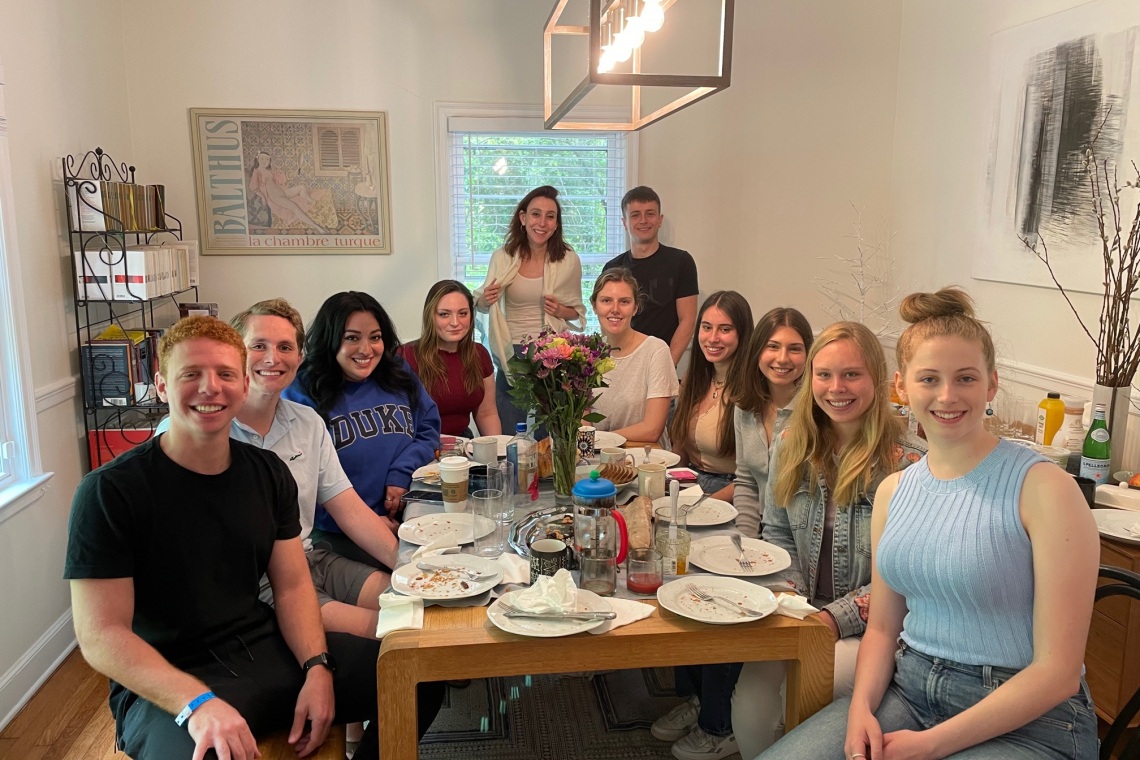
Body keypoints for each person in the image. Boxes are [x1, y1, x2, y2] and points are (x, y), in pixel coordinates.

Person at [758, 289, 1099, 760]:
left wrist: (931, 746)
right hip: (910, 692)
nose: (947, 396)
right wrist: (860, 708)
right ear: (900, 386)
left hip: (1028, 720)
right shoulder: (894, 492)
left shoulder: (1045, 489)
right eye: (929, 379)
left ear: (991, 384)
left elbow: (1059, 672)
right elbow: (881, 628)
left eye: (965, 378)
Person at [64, 316, 395, 760]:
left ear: (243, 384)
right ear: (161, 385)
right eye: (191, 374)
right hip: (164, 684)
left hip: (261, 648)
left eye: (224, 375)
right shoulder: (109, 492)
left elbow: (294, 586)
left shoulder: (268, 474)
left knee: (411, 672)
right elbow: (101, 634)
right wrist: (197, 703)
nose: (210, 388)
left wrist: (317, 667)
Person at [727, 320, 925, 758]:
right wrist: (792, 597)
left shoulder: (909, 464)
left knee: (804, 693)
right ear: (810, 377)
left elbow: (903, 577)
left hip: (875, 629)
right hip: (802, 613)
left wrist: (832, 620)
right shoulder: (791, 442)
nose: (837, 387)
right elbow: (776, 534)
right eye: (825, 374)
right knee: (750, 704)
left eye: (851, 374)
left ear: (877, 379)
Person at [157, 298, 400, 641]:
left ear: (300, 358)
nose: (273, 358)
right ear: (235, 354)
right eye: (259, 346)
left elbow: (349, 509)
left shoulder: (307, 422)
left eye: (285, 347)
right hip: (253, 587)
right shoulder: (193, 428)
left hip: (311, 560)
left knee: (414, 600)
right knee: (391, 633)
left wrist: (408, 565)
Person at [283, 291, 441, 567]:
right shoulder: (301, 390)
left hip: (410, 513)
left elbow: (428, 427)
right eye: (352, 337)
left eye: (375, 337)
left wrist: (401, 472)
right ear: (330, 340)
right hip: (338, 532)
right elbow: (300, 483)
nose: (366, 349)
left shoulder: (397, 372)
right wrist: (370, 523)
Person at [473, 185, 587, 433]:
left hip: (552, 354)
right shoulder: (502, 257)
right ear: (523, 218)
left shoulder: (568, 260)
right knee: (510, 432)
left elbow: (575, 313)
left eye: (550, 216)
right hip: (511, 355)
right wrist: (486, 299)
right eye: (536, 214)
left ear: (557, 224)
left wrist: (559, 309)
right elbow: (481, 305)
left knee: (552, 433)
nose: (542, 223)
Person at [729, 307, 814, 539]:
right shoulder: (744, 408)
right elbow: (746, 482)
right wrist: (745, 543)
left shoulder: (816, 413)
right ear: (757, 351)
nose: (782, 358)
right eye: (773, 346)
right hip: (759, 535)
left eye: (795, 349)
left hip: (802, 543)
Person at [668, 291, 753, 501]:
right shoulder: (694, 377)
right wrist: (670, 484)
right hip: (691, 482)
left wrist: (702, 504)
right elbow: (680, 447)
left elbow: (754, 480)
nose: (713, 338)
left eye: (725, 329)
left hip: (731, 492)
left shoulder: (753, 389)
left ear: (742, 334)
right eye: (706, 327)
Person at [603, 186, 699, 366]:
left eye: (650, 214)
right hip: (623, 362)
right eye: (635, 215)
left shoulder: (681, 262)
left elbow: (687, 320)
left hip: (663, 361)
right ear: (625, 223)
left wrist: (666, 365)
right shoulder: (612, 268)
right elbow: (607, 319)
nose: (643, 220)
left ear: (660, 219)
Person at [588, 268, 678, 445]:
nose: (615, 309)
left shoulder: (656, 350)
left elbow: (652, 430)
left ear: (635, 307)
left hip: (647, 459)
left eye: (624, 302)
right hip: (598, 457)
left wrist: (604, 440)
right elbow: (585, 424)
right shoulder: (587, 354)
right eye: (606, 301)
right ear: (594, 306)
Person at [398, 280, 500, 437]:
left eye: (463, 313)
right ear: (430, 316)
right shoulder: (406, 356)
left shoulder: (479, 354)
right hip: (419, 447)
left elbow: (487, 413)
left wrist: (496, 454)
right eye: (444, 314)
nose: (455, 323)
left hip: (463, 446)